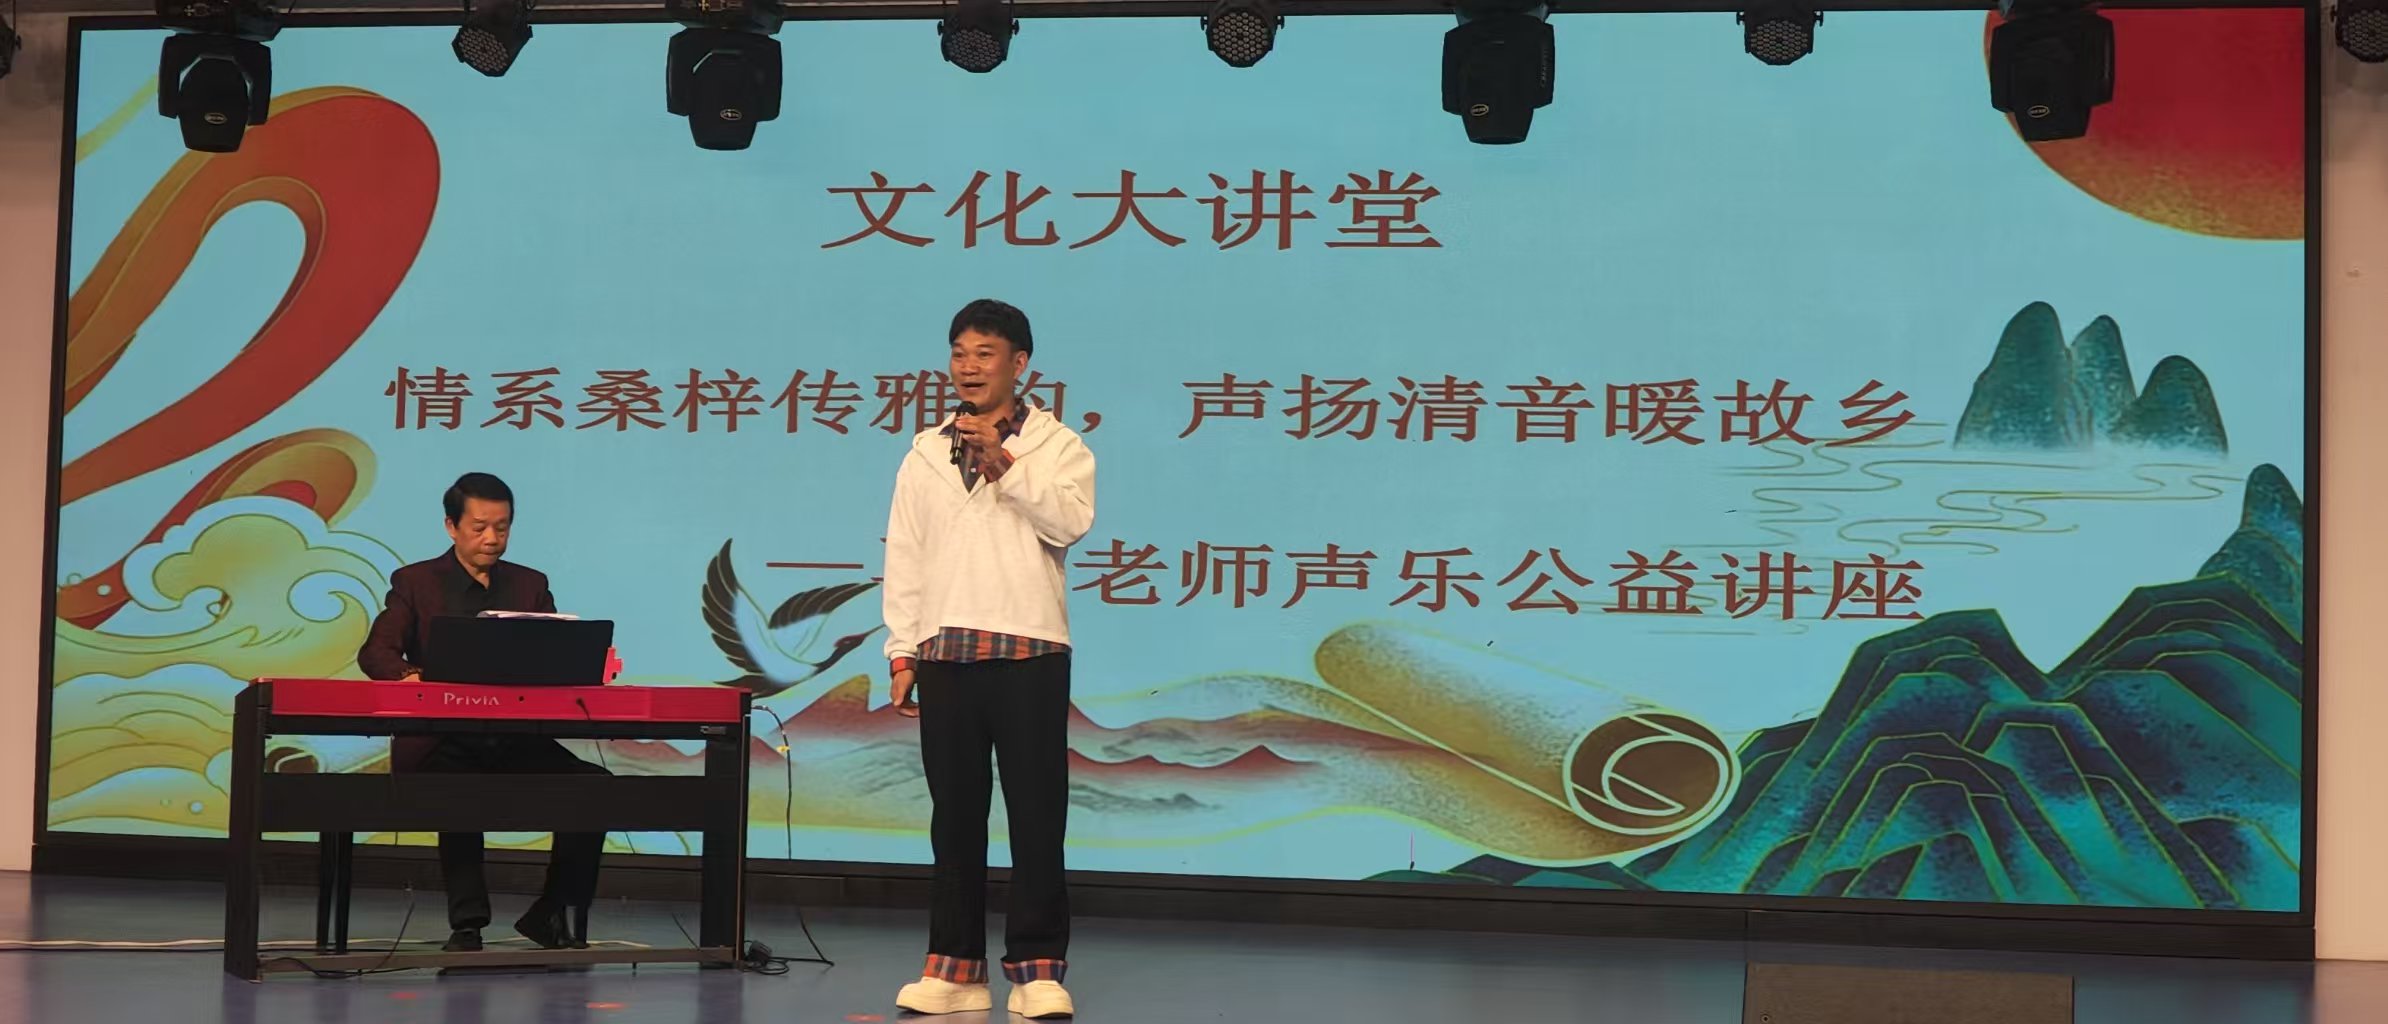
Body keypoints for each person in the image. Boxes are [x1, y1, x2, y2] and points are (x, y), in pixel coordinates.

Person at [883, 299, 1095, 1019]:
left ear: (1019, 364)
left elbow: (1070, 522)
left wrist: (1003, 462)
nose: (968, 367)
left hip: (1028, 648)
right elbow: (906, 554)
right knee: (955, 818)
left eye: (985, 353)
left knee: (1036, 814)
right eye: (959, 353)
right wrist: (902, 649)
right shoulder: (925, 451)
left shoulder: (1058, 445)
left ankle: (1037, 970)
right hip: (946, 649)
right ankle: (954, 968)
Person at [356, 471, 607, 953]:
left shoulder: (530, 585)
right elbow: (376, 652)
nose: (492, 538)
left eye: (502, 527)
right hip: (443, 739)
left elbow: (555, 653)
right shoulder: (416, 582)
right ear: (451, 526)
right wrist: (410, 678)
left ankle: (551, 912)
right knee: (461, 793)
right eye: (479, 527)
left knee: (594, 788)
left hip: (516, 738)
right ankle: (467, 925)